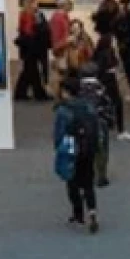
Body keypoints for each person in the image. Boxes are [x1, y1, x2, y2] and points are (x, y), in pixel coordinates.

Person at [53, 76, 100, 233]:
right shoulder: (89, 106)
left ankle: (78, 214)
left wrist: (59, 149)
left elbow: (59, 133)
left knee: (72, 182)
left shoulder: (63, 110)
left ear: (66, 91)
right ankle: (92, 211)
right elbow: (96, 128)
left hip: (72, 149)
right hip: (88, 149)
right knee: (88, 183)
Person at [92, 31, 130, 141]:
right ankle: (120, 131)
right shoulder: (106, 54)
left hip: (108, 82)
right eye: (113, 41)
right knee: (114, 105)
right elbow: (104, 68)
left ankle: (107, 130)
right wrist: (111, 70)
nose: (115, 43)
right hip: (108, 82)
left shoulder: (108, 53)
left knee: (105, 106)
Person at [14, 0, 51, 102]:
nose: (37, 5)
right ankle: (36, 94)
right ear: (31, 3)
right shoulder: (29, 15)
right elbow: (29, 31)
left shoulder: (25, 14)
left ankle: (26, 93)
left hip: (28, 47)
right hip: (31, 47)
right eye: (35, 3)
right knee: (30, 70)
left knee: (30, 71)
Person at [49, 0, 73, 91]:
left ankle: (61, 91)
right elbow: (55, 36)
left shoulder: (64, 16)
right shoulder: (57, 18)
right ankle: (58, 92)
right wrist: (64, 43)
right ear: (63, 5)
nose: (70, 6)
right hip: (60, 48)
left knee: (64, 71)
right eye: (69, 4)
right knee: (60, 71)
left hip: (65, 47)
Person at [114, 0, 130, 90]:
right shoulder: (120, 18)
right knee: (128, 66)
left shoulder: (127, 17)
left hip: (127, 45)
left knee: (129, 66)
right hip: (126, 45)